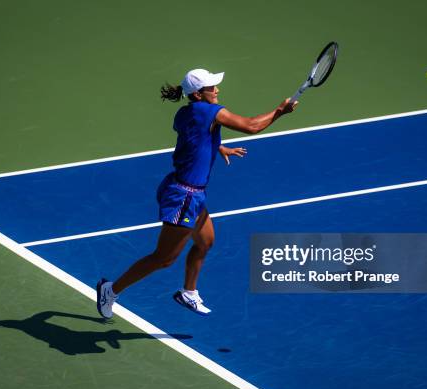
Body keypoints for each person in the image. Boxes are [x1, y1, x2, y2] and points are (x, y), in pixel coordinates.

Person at [97, 68, 297, 318]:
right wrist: (280, 112)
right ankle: (110, 290)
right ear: (198, 94)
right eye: (212, 87)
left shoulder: (184, 113)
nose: (217, 90)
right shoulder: (210, 111)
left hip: (189, 191)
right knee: (164, 258)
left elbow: (194, 137)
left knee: (205, 241)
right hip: (184, 196)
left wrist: (219, 147)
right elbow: (251, 126)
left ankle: (188, 292)